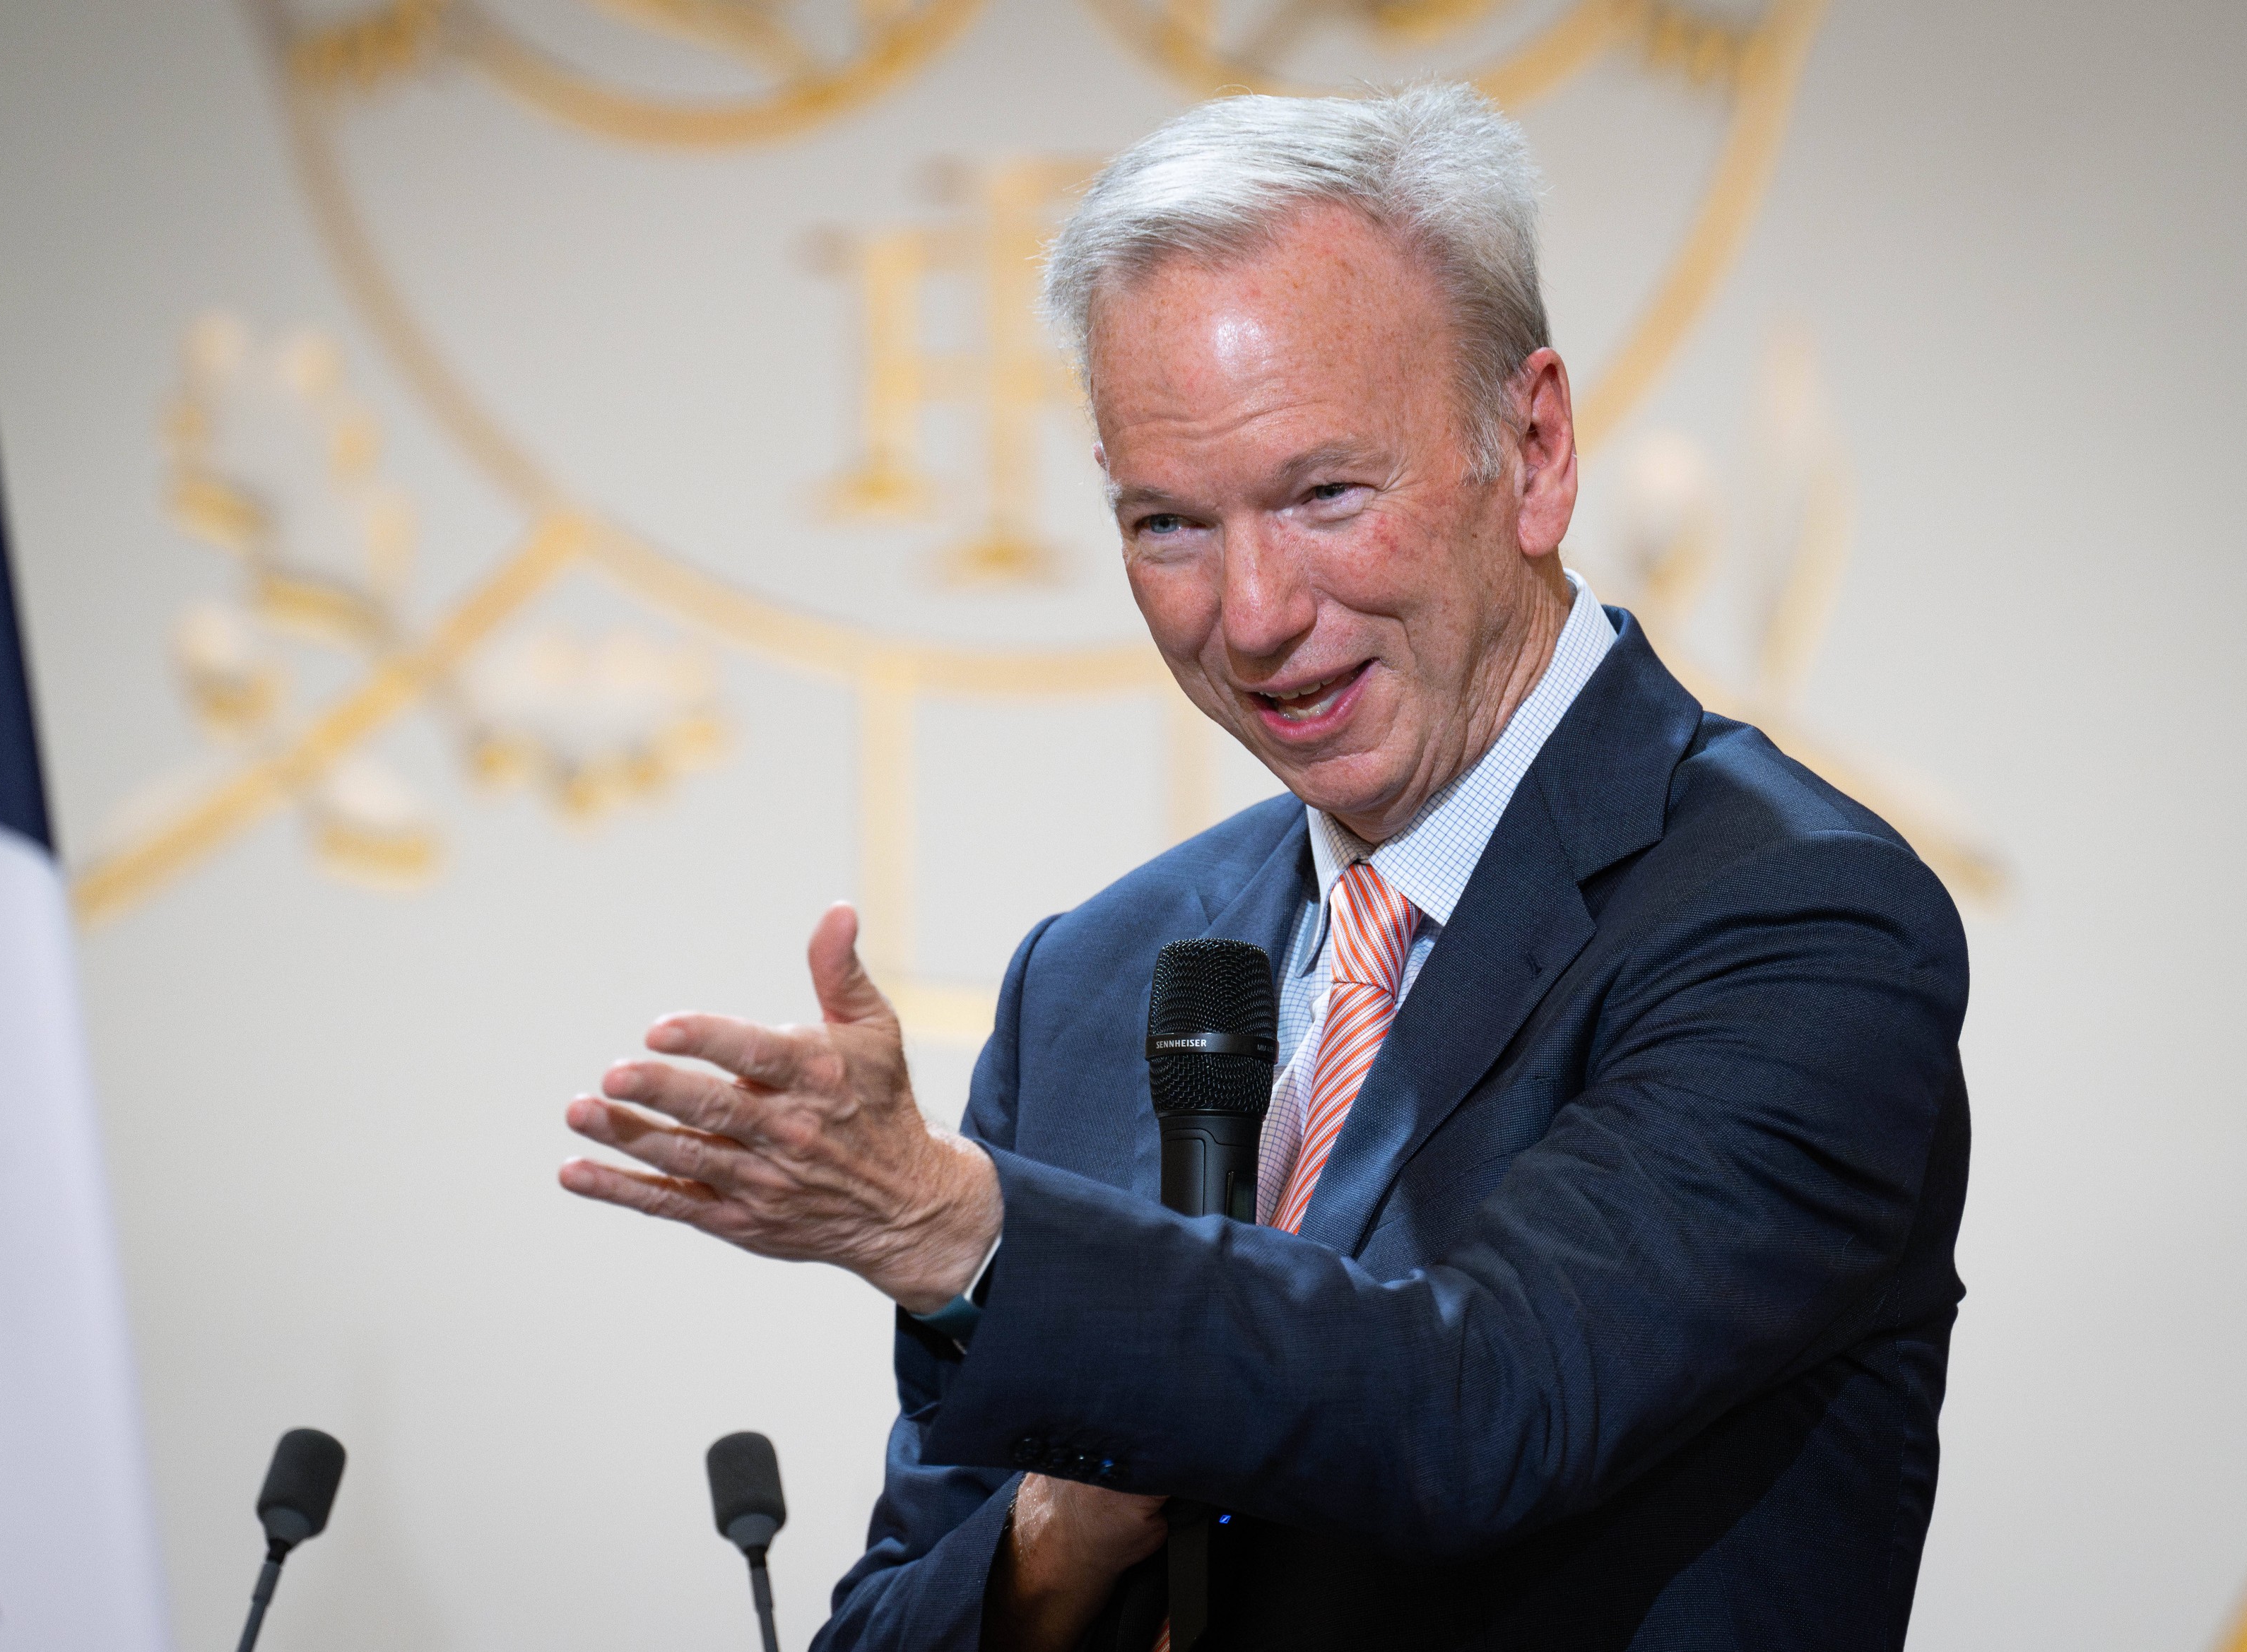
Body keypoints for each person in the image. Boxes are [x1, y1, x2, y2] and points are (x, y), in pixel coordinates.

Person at [559, 83, 1969, 1652]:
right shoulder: (1097, 978)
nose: (1248, 613)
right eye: (1165, 522)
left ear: (1535, 446)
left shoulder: (1792, 915)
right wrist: (1049, 1538)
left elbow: (1482, 1405)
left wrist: (967, 1236)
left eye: (1323, 496)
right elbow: (890, 1623)